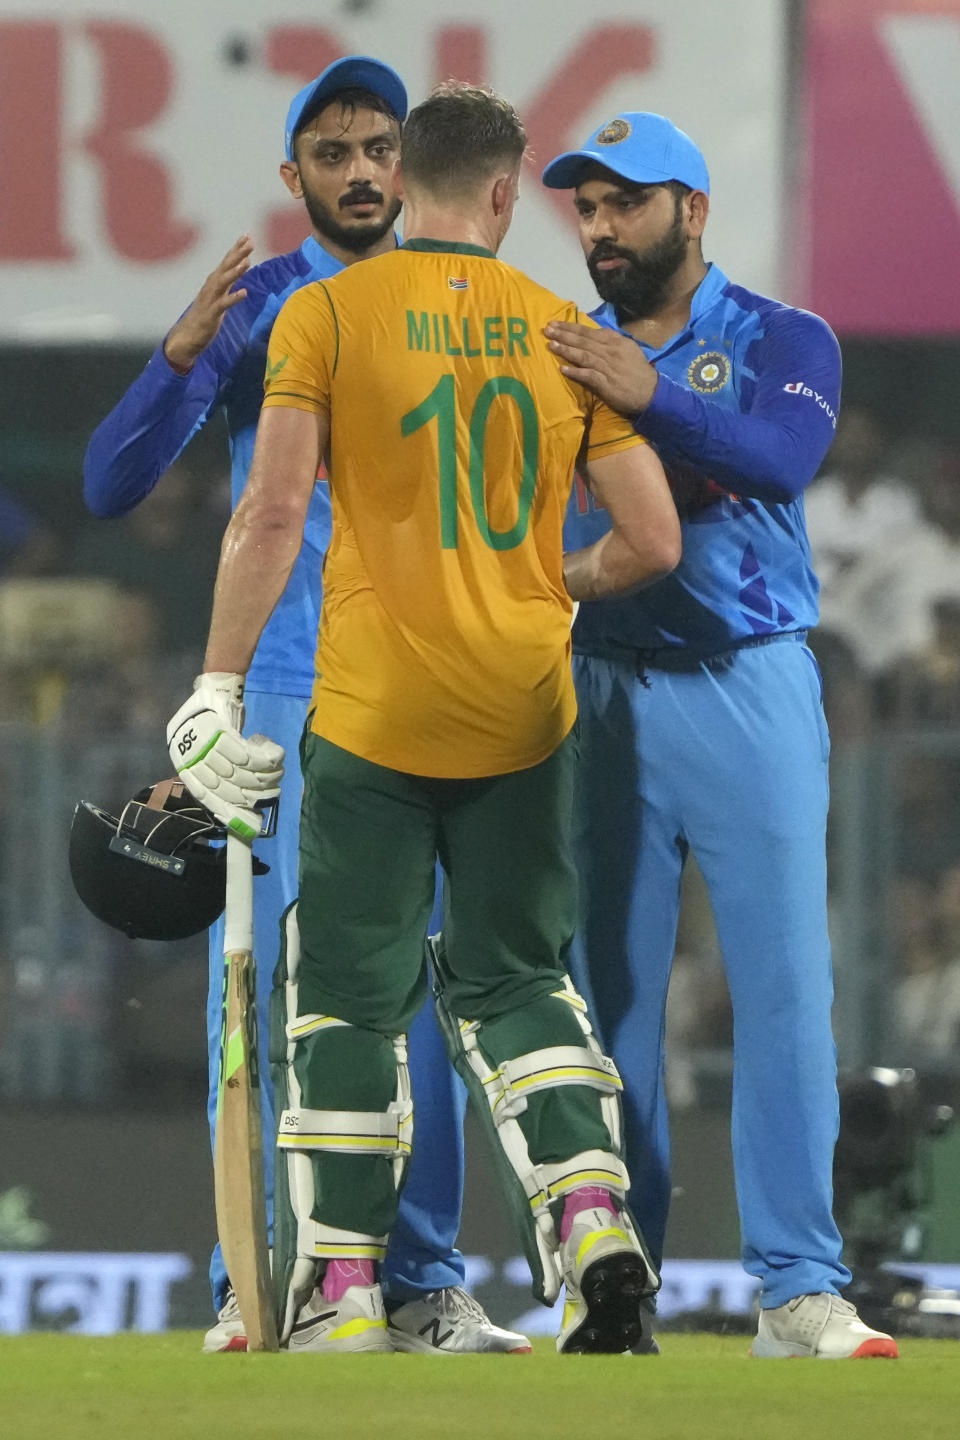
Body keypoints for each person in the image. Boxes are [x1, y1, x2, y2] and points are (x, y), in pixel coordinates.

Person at [165, 81, 681, 1354]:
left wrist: (216, 688)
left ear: (407, 182)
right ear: (508, 195)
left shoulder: (329, 314)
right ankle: (592, 1216)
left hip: (375, 713)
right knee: (520, 982)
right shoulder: (561, 326)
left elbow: (273, 514)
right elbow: (654, 537)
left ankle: (343, 1288)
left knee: (345, 991)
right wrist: (556, 589)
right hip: (523, 710)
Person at [83, 56, 528, 1356]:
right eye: (329, 152)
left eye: (377, 147)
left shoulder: (471, 302)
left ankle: (423, 1285)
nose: (357, 171)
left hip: (430, 678)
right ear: (296, 177)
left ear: (410, 163)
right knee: (281, 994)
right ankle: (257, 1279)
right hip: (288, 684)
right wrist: (176, 358)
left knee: (428, 993)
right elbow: (113, 484)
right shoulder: (267, 303)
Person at [541, 111, 899, 1359]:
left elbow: (783, 456)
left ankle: (799, 1287)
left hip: (750, 679)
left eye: (625, 204)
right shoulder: (557, 351)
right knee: (608, 1006)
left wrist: (648, 395)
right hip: (602, 689)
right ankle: (613, 1287)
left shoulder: (780, 336)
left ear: (692, 211)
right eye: (585, 208)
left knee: (785, 992)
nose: (600, 229)